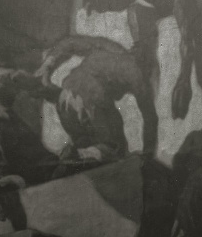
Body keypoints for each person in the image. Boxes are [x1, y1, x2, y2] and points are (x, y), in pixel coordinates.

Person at [32, 34, 158, 168]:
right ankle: (84, 154)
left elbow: (70, 42)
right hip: (92, 99)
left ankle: (80, 153)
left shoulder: (111, 47)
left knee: (85, 142)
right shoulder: (139, 75)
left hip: (65, 96)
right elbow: (150, 118)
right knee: (115, 147)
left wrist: (47, 65)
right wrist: (148, 154)